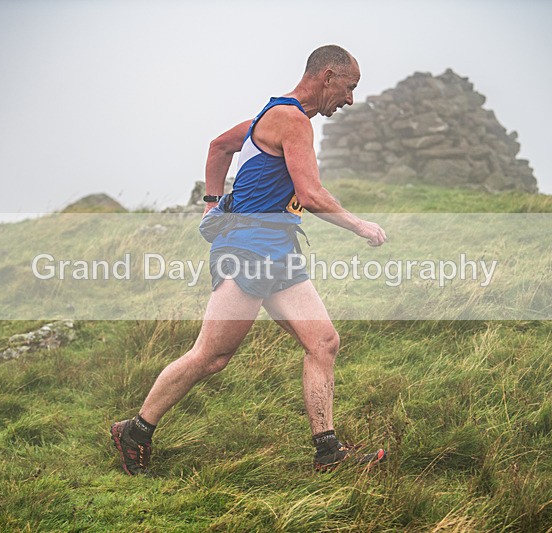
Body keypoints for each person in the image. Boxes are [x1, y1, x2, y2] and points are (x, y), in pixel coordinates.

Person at [111, 44, 387, 475]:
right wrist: (360, 226)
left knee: (324, 342)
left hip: (278, 250)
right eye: (349, 88)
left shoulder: (272, 116)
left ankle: (328, 454)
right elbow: (311, 194)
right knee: (211, 356)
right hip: (248, 249)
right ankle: (135, 430)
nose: (350, 99)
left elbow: (220, 146)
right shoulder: (292, 120)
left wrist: (211, 202)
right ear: (328, 76)